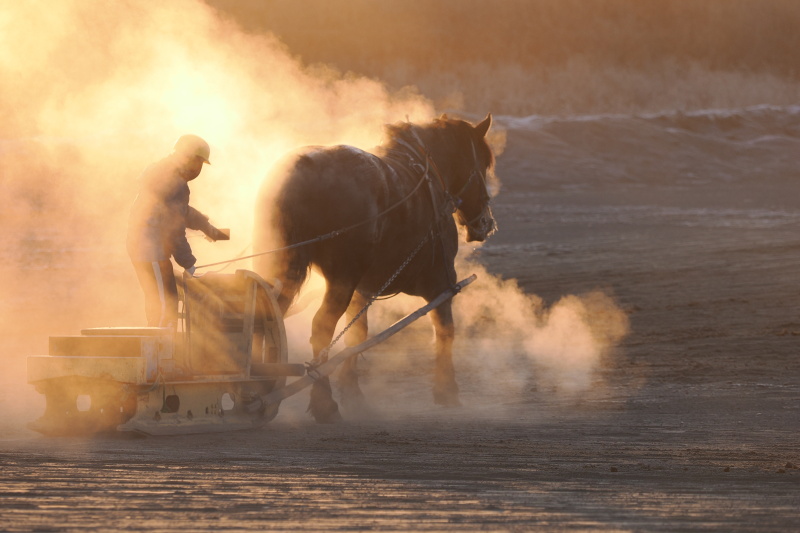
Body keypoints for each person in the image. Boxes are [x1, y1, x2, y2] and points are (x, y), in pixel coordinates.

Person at [127, 134, 229, 327]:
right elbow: (173, 228)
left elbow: (181, 212)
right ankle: (158, 354)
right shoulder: (175, 183)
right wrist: (189, 264)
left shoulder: (166, 175)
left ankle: (162, 352)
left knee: (163, 300)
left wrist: (207, 228)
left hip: (144, 246)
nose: (199, 169)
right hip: (151, 249)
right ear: (189, 159)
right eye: (199, 163)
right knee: (165, 305)